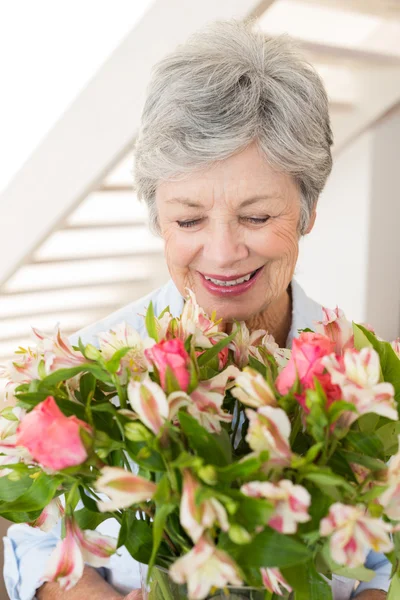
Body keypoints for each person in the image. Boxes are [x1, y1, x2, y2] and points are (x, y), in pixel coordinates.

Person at [4, 19, 389, 600]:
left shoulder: (372, 380)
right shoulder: (83, 370)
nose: (223, 253)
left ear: (308, 211)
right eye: (188, 220)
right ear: (157, 218)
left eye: (257, 217)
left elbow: (386, 559)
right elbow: (29, 536)